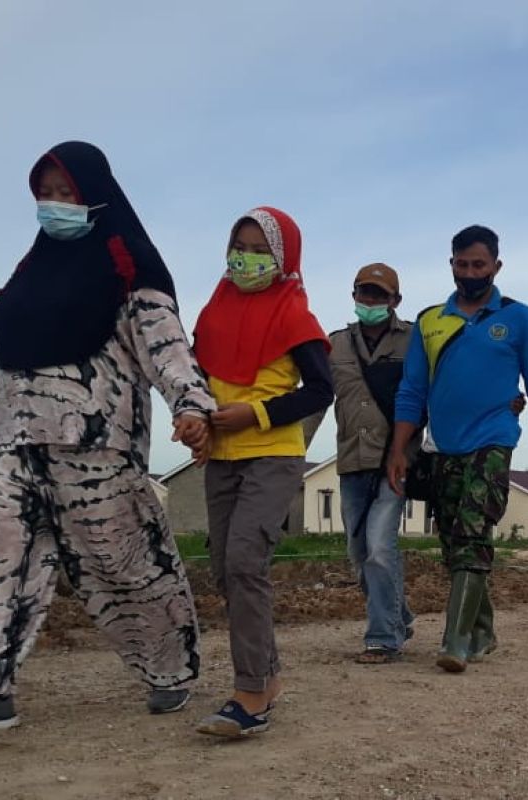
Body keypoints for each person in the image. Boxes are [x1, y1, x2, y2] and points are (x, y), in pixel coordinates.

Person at [0, 142, 213, 737]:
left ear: (94, 195)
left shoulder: (129, 265)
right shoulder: (29, 271)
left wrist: (191, 406)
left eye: (66, 192)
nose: (54, 204)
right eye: (45, 193)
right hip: (9, 445)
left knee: (123, 565)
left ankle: (169, 670)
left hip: (95, 447)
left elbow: (165, 347)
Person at [387, 224, 528, 674]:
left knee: (471, 531)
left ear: (496, 267)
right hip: (443, 447)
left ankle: (456, 641)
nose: (469, 273)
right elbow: (411, 391)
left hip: (494, 439)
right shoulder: (430, 321)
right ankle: (484, 631)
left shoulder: (519, 318)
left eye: (478, 265)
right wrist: (398, 449)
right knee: (453, 542)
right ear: (451, 266)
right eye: (462, 265)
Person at [191, 207, 333, 737]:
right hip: (222, 456)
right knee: (227, 570)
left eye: (260, 250)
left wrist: (257, 412)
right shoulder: (211, 315)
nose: (246, 259)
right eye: (240, 246)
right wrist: (194, 420)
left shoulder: (295, 317)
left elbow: (321, 391)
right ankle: (267, 677)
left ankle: (249, 695)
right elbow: (194, 379)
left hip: (273, 450)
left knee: (246, 560)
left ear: (283, 258)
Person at [330, 263, 418, 664]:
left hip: (395, 461)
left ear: (395, 300)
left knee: (380, 546)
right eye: (364, 292)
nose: (371, 300)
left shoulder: (414, 341)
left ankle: (383, 637)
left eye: (379, 295)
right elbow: (316, 402)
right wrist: (291, 453)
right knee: (357, 551)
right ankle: (398, 615)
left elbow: (442, 388)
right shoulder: (335, 346)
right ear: (354, 296)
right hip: (352, 461)